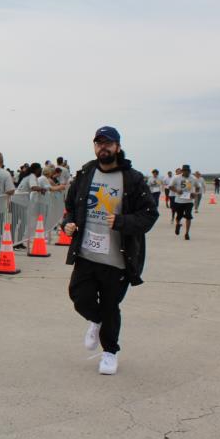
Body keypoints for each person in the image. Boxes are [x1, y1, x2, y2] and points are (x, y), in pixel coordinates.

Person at [61, 126, 158, 375]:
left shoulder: (132, 179)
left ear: (117, 147)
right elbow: (70, 206)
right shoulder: (86, 173)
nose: (102, 147)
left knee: (111, 305)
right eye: (99, 143)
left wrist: (122, 222)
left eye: (108, 143)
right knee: (79, 297)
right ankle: (97, 320)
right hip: (86, 253)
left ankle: (110, 353)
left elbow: (149, 215)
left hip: (117, 258)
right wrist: (68, 224)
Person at [170, 165, 201, 240]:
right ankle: (178, 224)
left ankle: (187, 233)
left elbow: (198, 187)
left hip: (189, 201)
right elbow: (170, 186)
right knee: (179, 216)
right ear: (182, 171)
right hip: (179, 200)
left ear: (189, 171)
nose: (186, 172)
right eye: (185, 171)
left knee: (188, 216)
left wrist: (195, 193)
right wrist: (177, 191)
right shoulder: (176, 178)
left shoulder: (193, 178)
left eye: (188, 171)